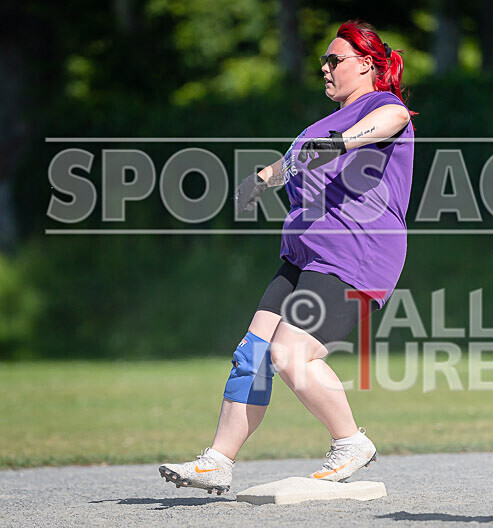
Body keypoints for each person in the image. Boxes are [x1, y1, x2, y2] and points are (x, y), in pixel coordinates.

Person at [159, 20, 414, 495]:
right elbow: (297, 160)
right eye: (324, 60)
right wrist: (261, 178)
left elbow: (392, 121)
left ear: (368, 64)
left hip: (354, 256)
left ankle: (351, 442)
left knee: (292, 353)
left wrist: (341, 142)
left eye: (335, 60)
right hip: (303, 256)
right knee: (251, 356)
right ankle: (218, 460)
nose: (325, 67)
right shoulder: (321, 123)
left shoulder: (381, 106)